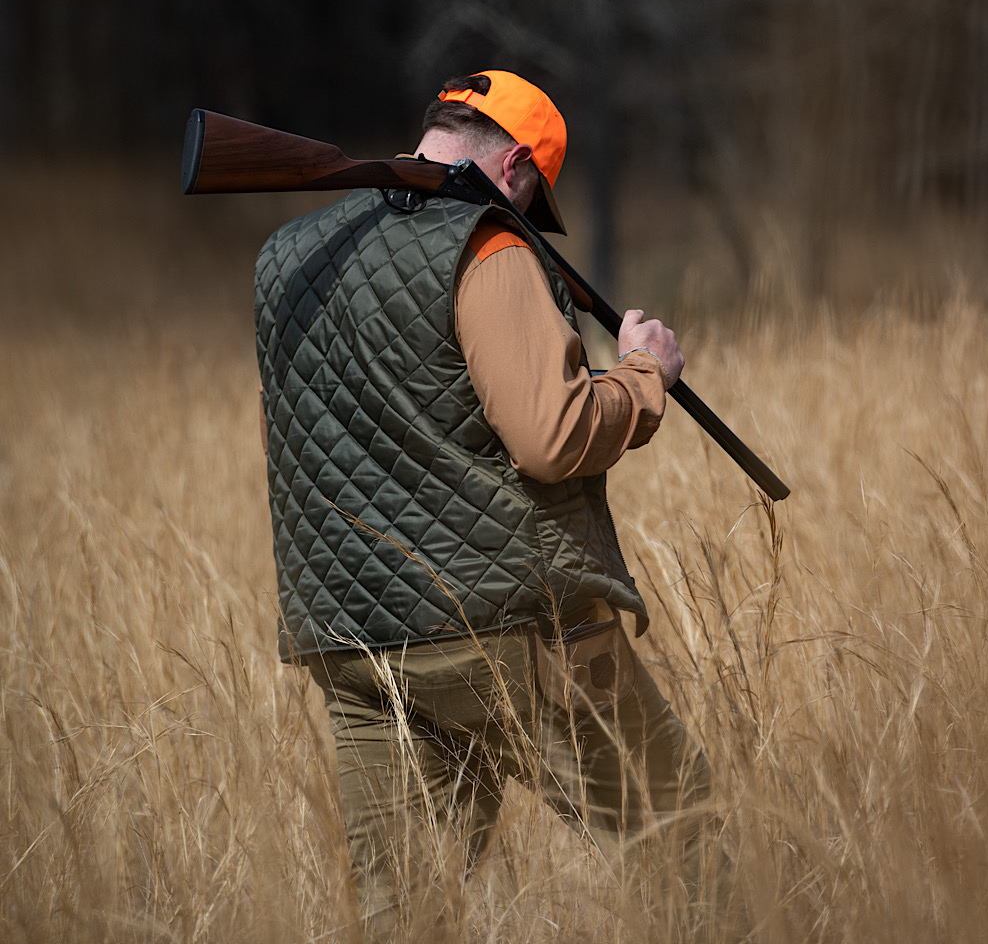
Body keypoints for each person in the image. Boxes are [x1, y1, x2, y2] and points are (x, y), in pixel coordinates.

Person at [254, 71, 734, 939]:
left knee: (409, 920)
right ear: (515, 161)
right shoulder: (487, 245)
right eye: (530, 196)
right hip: (517, 634)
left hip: (358, 646)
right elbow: (552, 437)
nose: (526, 218)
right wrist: (642, 376)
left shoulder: (290, 254)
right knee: (692, 861)